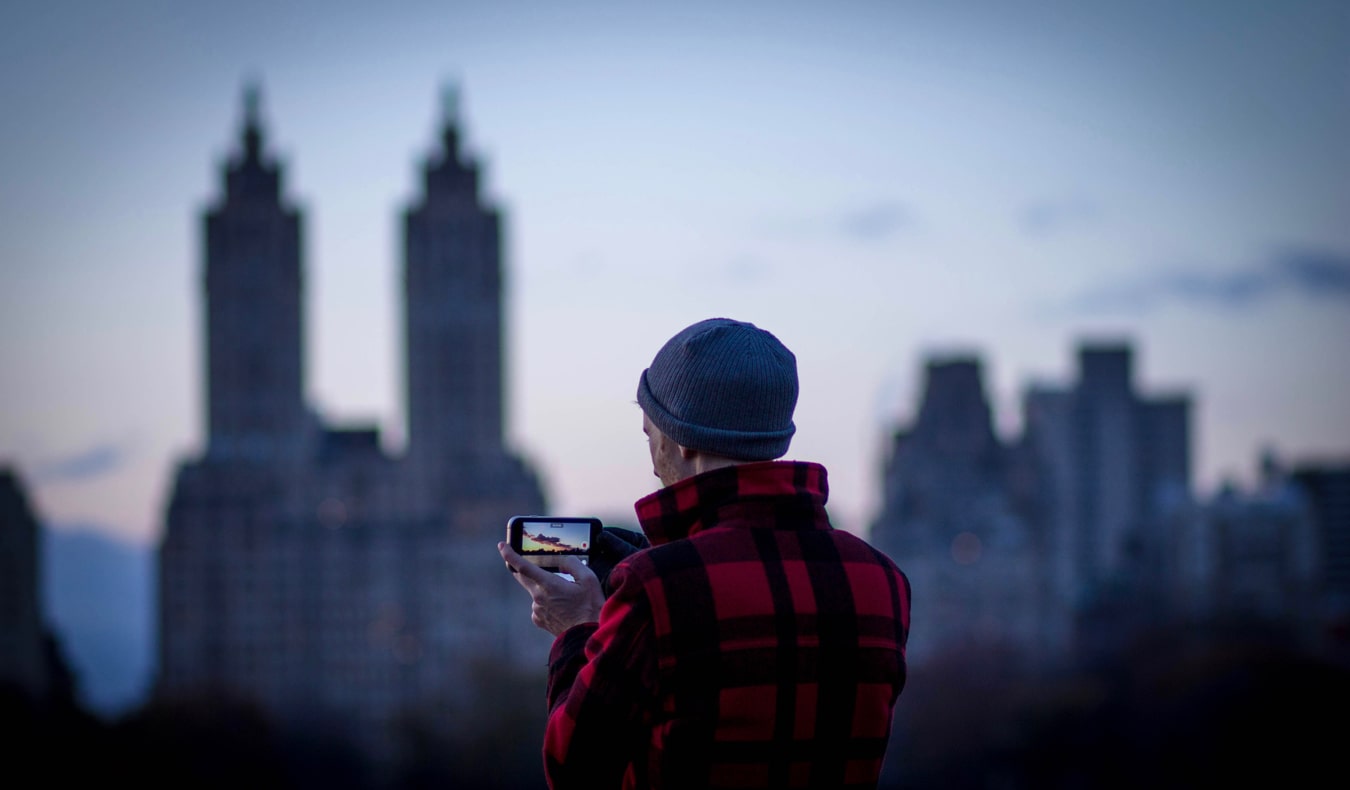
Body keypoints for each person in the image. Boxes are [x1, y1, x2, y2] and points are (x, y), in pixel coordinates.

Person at [498, 317, 911, 789]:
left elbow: (574, 769)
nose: (652, 461)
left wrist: (577, 629)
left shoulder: (656, 588)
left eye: (648, 433)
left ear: (680, 440)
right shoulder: (884, 581)